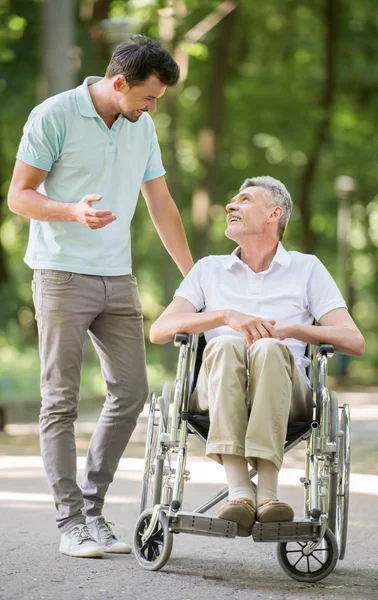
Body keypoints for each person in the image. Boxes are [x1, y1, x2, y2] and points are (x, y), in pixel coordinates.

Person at [7, 35, 193, 558]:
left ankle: (92, 508)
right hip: (61, 273)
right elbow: (18, 195)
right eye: (149, 97)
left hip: (118, 276)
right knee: (60, 400)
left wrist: (194, 278)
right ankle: (70, 523)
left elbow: (160, 201)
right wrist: (72, 212)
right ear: (119, 83)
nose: (154, 107)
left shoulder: (143, 126)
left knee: (131, 392)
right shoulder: (54, 115)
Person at [149, 175, 364, 537]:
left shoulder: (307, 268)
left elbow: (353, 340)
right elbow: (159, 330)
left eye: (245, 200)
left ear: (273, 214)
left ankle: (267, 494)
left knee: (267, 347)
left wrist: (292, 331)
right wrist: (224, 317)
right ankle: (240, 493)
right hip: (215, 388)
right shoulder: (208, 269)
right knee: (227, 342)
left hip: (288, 393)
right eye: (233, 200)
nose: (232, 205)